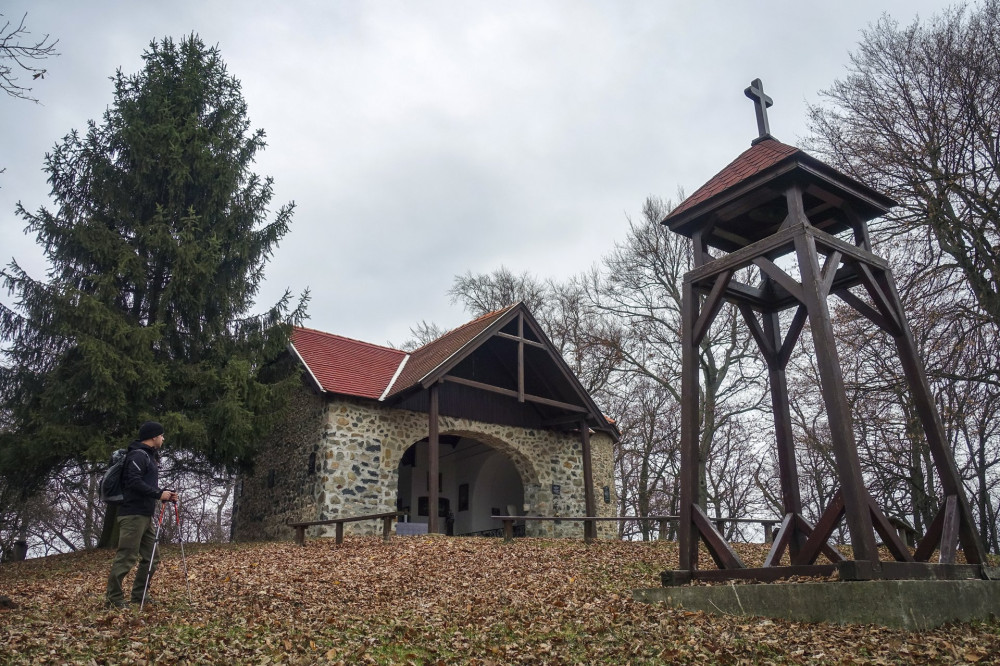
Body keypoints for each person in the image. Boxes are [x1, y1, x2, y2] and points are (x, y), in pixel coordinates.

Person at [104, 421, 178, 609]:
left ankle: (139, 595)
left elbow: (145, 486)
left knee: (152, 557)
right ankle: (113, 598)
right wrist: (157, 494)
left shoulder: (148, 457)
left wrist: (164, 494)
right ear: (153, 437)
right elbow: (133, 482)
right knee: (127, 557)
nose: (163, 438)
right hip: (132, 514)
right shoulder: (137, 455)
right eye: (161, 435)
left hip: (145, 515)